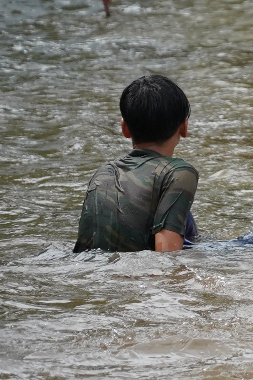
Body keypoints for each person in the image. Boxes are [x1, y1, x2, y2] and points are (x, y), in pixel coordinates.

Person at [74, 75, 200, 253]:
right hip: (138, 274)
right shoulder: (178, 173)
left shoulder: (103, 173)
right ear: (184, 127)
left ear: (124, 128)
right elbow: (168, 258)